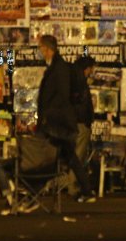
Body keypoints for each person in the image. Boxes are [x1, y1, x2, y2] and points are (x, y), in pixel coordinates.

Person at [37, 35, 95, 203]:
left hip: (57, 123)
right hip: (58, 121)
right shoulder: (58, 67)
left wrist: (50, 117)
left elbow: (61, 95)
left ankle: (32, 192)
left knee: (42, 156)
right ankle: (86, 190)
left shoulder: (59, 68)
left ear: (47, 49)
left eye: (41, 49)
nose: (40, 52)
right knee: (71, 158)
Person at [60, 56, 95, 196]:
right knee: (78, 155)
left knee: (74, 154)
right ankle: (73, 185)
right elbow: (82, 104)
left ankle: (72, 184)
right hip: (81, 122)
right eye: (92, 68)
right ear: (87, 68)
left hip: (73, 123)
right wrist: (85, 119)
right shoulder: (80, 82)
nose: (92, 71)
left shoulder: (70, 79)